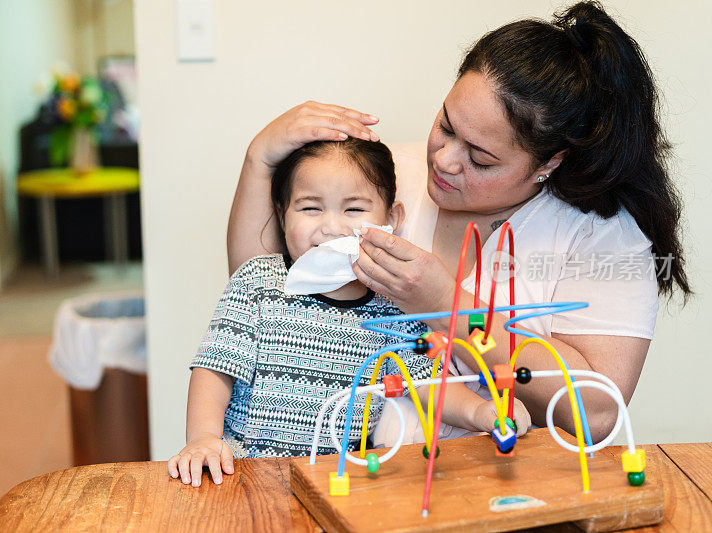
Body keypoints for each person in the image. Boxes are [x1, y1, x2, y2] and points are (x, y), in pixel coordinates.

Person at [226, 2, 690, 444]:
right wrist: (259, 158)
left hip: (500, 489)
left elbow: (598, 414)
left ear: (549, 162)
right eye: (446, 126)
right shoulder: (383, 183)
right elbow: (263, 292)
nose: (444, 161)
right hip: (353, 470)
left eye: (481, 158)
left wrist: (446, 304)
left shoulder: (600, 236)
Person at [168, 138, 531, 487]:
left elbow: (426, 386)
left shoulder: (395, 305)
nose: (331, 226)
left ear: (392, 218)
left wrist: (482, 413)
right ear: (282, 215)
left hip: (343, 482)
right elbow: (215, 369)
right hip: (244, 472)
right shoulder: (258, 281)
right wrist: (202, 438)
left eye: (354, 209)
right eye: (310, 207)